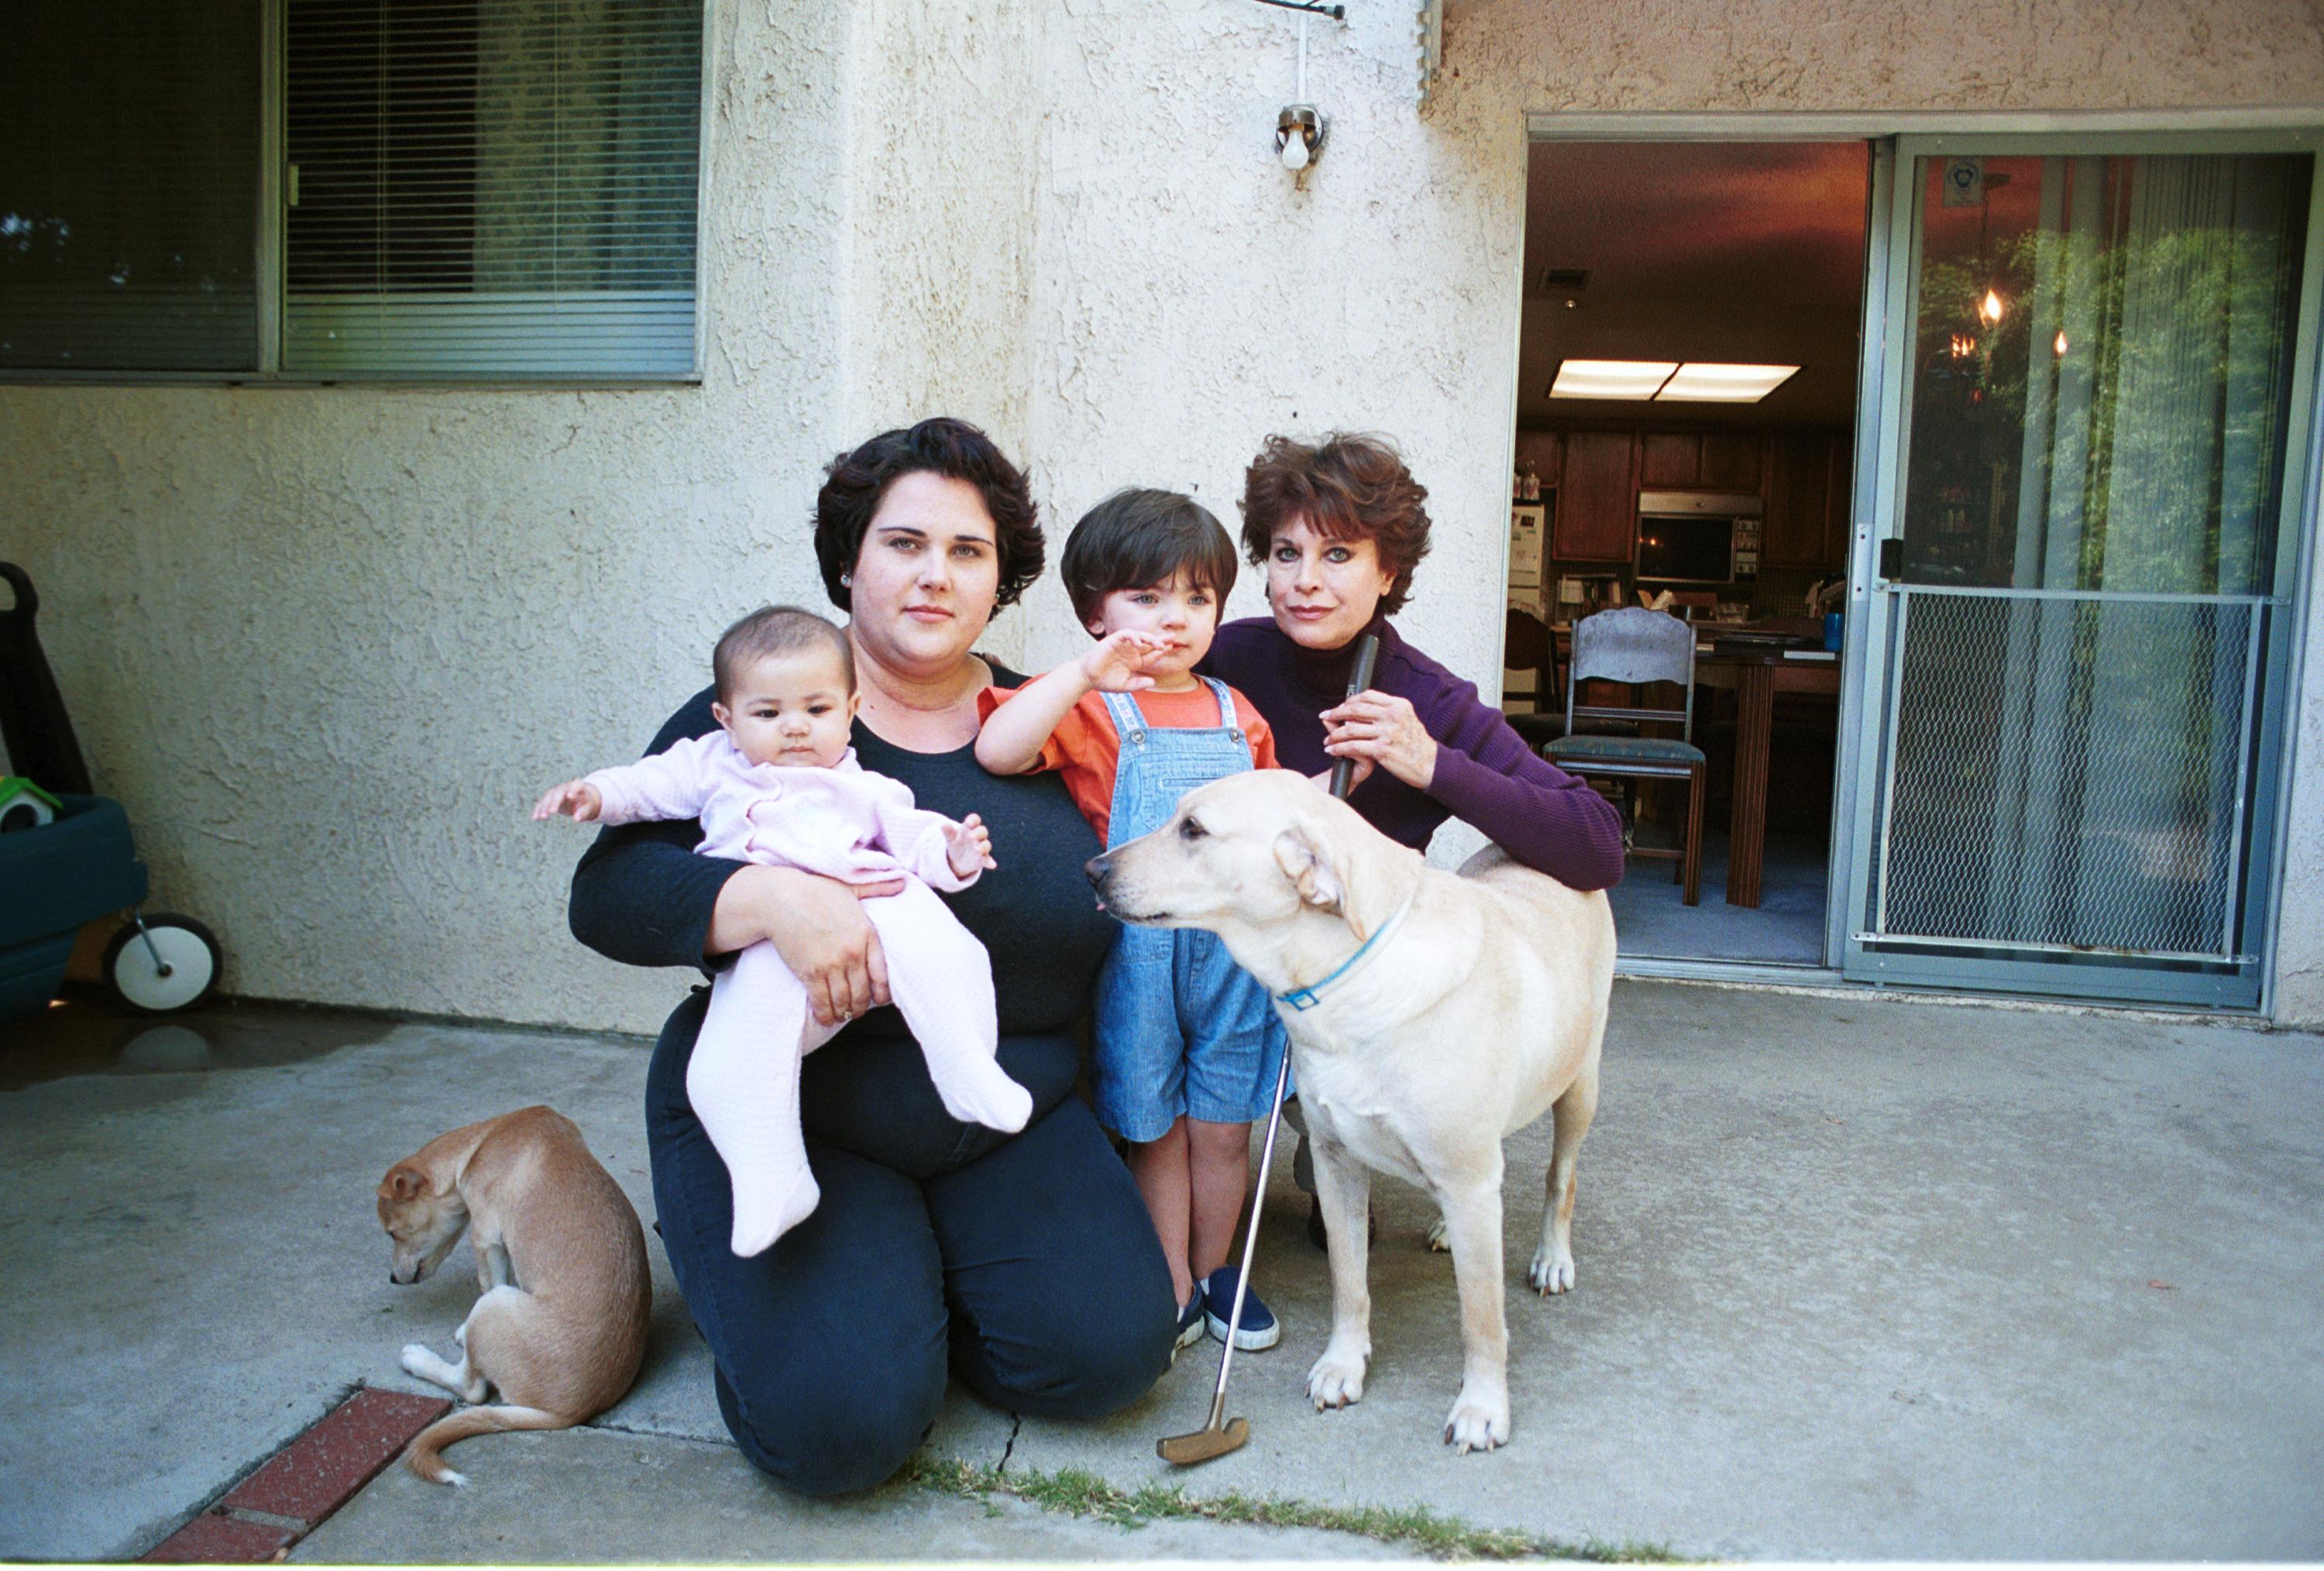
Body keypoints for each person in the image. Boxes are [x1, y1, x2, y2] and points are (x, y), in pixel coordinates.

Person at [568, 418, 1176, 1497]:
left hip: (1007, 1117)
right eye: (903, 544)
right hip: (806, 1117)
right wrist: (766, 899)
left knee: (1107, 1360)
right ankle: (813, 1283)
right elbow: (607, 893)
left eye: (968, 551)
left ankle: (914, 1288)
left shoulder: (1057, 721)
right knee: (841, 1432)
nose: (935, 575)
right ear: (850, 561)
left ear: (1002, 579)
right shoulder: (776, 713)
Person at [1201, 431, 1628, 1239]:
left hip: (1350, 980)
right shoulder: (1228, 656)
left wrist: (1432, 764)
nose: (1305, 583)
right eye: (1286, 554)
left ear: (1387, 572)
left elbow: (1597, 844)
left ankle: (1332, 1124)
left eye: (1338, 556)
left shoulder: (1425, 697)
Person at [536, 604, 1026, 1259]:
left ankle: (966, 1064)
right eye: (767, 714)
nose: (795, 728)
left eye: (817, 711)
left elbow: (910, 833)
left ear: (850, 710)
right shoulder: (712, 764)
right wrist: (596, 794)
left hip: (875, 890)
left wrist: (955, 852)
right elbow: (651, 785)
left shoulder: (861, 781)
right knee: (719, 1069)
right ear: (726, 718)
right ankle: (772, 1178)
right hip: (769, 940)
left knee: (946, 952)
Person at [975, 489, 1291, 1359]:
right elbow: (998, 750)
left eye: (1196, 599)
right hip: (1138, 952)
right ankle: (1172, 1282)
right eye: (1145, 599)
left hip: (1230, 952)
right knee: (1156, 1120)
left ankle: (1219, 1269)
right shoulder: (1087, 706)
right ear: (1094, 611)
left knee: (1225, 1121)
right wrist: (1084, 672)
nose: (1173, 620)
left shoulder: (1240, 717)